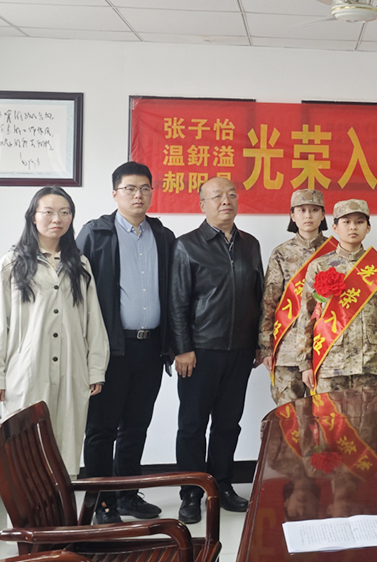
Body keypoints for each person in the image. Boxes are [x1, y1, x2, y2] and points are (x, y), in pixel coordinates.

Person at [0, 186, 109, 478]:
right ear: (33, 217)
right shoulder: (11, 264)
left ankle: (62, 508)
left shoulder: (80, 265)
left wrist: (96, 369)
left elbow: (93, 321)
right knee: (26, 449)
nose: (57, 219)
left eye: (65, 212)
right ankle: (27, 509)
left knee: (66, 446)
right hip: (27, 371)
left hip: (72, 370)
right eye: (48, 212)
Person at [77, 162, 175, 524]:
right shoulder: (95, 233)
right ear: (115, 193)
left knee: (136, 426)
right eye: (130, 189)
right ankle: (102, 504)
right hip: (110, 349)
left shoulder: (162, 235)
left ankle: (128, 495)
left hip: (150, 348)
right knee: (101, 430)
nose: (139, 195)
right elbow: (76, 294)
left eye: (145, 188)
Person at [169, 177, 264, 523]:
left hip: (240, 350)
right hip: (200, 352)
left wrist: (258, 342)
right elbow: (177, 301)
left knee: (228, 423)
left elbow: (259, 296)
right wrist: (182, 348)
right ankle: (192, 493)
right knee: (192, 425)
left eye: (231, 195)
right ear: (202, 205)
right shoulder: (186, 245)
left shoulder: (250, 244)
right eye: (217, 196)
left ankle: (222, 485)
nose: (226, 201)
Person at [296, 200, 377, 394]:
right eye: (346, 222)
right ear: (335, 227)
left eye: (359, 222)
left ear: (368, 227)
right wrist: (305, 362)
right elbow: (306, 315)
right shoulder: (320, 266)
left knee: (369, 415)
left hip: (370, 362)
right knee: (328, 414)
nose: (353, 227)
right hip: (330, 361)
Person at [260, 190, 335, 405]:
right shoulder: (281, 253)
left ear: (323, 215)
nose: (308, 215)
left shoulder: (336, 252)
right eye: (301, 210)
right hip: (287, 349)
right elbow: (269, 302)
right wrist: (266, 347)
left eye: (314, 210)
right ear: (292, 215)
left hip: (325, 347)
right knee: (287, 416)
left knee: (325, 416)